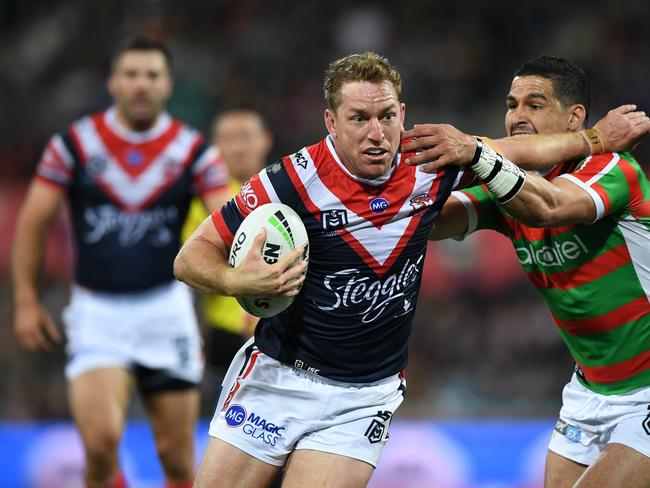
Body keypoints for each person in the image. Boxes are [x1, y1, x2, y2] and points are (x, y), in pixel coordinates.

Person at [173, 52, 646, 488]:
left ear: (402, 114)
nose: (375, 132)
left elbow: (529, 180)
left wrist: (595, 140)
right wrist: (238, 281)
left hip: (364, 396)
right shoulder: (292, 179)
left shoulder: (604, 172)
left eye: (386, 117)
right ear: (331, 122)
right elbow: (190, 256)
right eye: (359, 118)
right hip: (280, 374)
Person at [402, 55, 650, 488]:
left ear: (575, 118)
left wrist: (475, 152)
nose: (517, 116)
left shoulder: (612, 169)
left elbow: (549, 206)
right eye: (511, 104)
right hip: (589, 390)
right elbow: (430, 220)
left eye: (534, 105)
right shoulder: (506, 190)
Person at [12, 36, 230, 488]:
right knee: (100, 444)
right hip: (97, 313)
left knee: (175, 458)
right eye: (131, 74)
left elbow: (229, 222)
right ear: (112, 82)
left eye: (152, 75)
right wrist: (27, 300)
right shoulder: (73, 146)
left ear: (168, 85)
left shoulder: (193, 152)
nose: (141, 84)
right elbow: (33, 221)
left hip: (165, 311)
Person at [182, 109, 273, 397]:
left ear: (265, 141)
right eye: (228, 139)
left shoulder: (288, 192)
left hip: (284, 332)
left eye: (245, 137)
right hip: (224, 339)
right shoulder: (199, 205)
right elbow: (190, 268)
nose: (237, 148)